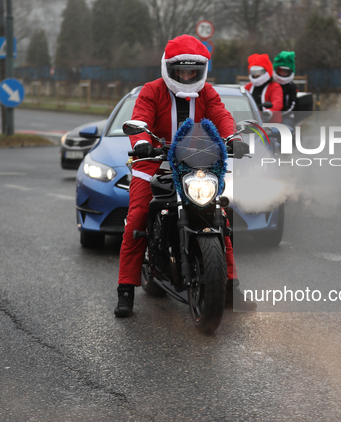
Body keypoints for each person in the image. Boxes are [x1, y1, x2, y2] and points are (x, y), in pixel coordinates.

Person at [115, 34, 256, 317]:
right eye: (181, 70)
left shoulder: (207, 93)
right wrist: (141, 141)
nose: (187, 75)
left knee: (218, 217)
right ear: (169, 68)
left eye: (193, 70)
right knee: (138, 217)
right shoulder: (151, 90)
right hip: (154, 163)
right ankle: (126, 290)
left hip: (195, 165)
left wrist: (231, 138)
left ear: (201, 69)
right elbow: (141, 118)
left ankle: (230, 286)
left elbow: (221, 116)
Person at [244, 53, 283, 123]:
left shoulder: (274, 86)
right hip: (251, 122)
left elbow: (278, 102)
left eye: (258, 72)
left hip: (271, 124)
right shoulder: (248, 87)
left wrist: (269, 112)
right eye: (253, 72)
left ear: (266, 71)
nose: (255, 75)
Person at [272, 51, 298, 128]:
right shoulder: (271, 84)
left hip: (287, 115)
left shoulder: (292, 87)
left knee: (285, 129)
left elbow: (293, 105)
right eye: (281, 71)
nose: (283, 74)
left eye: (285, 72)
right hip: (270, 115)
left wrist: (281, 114)